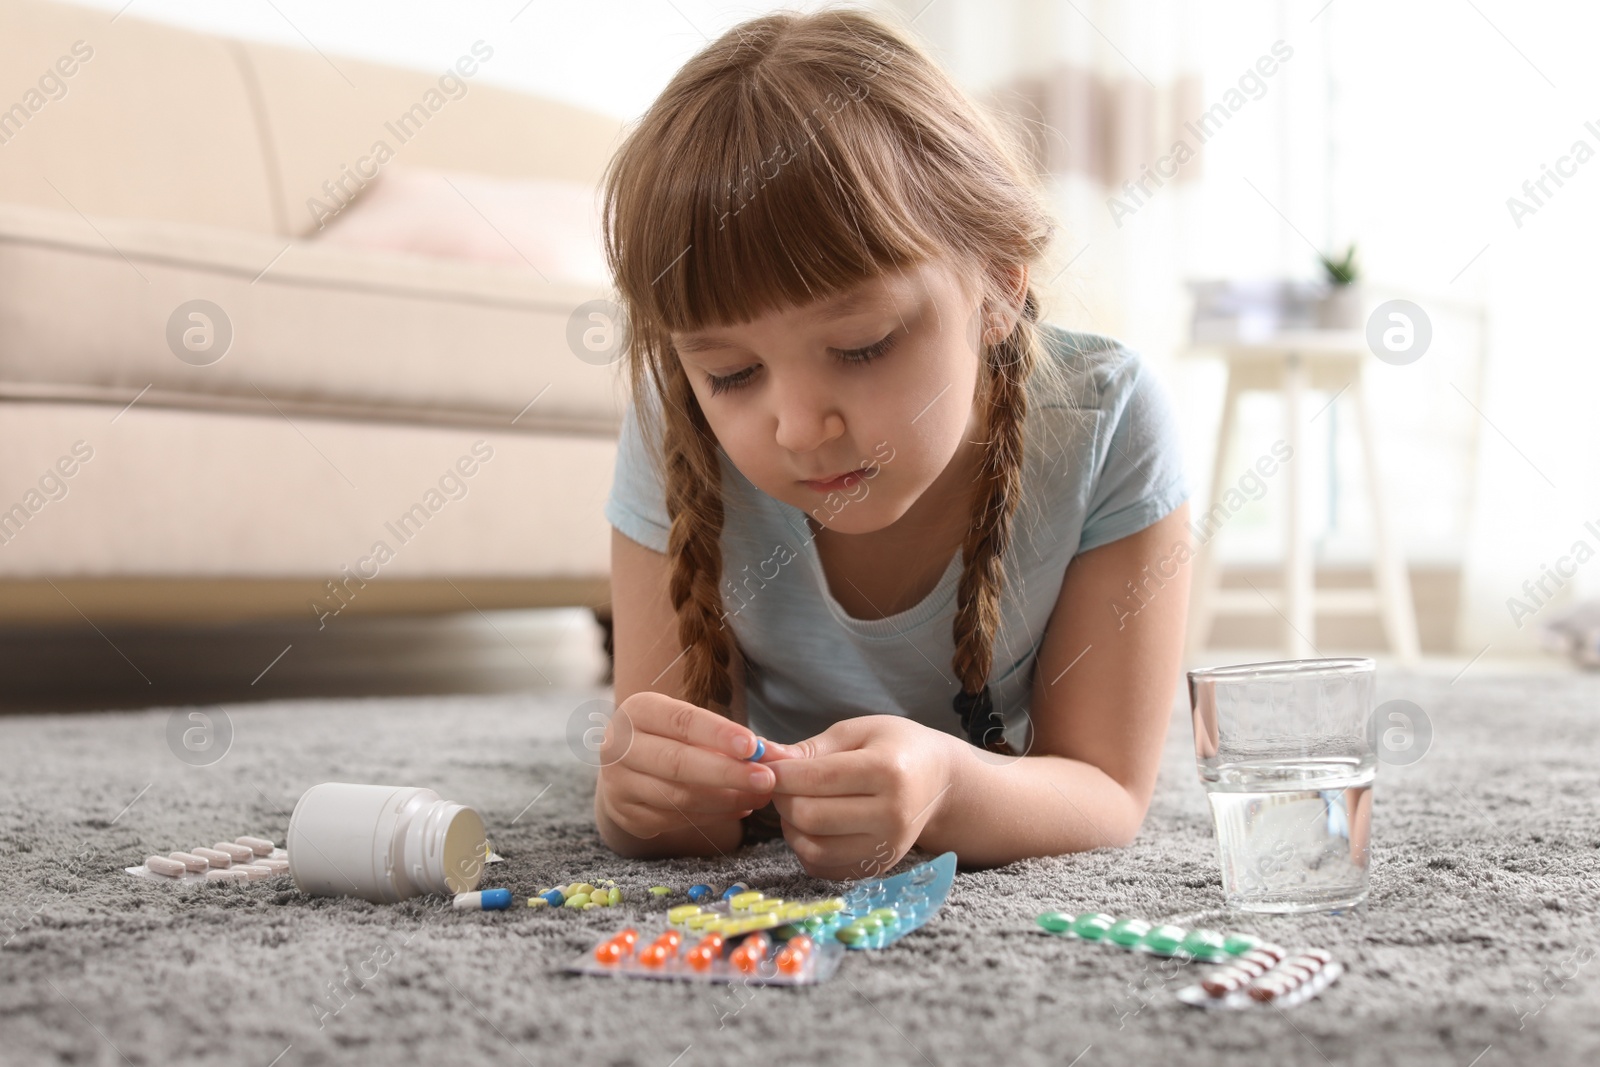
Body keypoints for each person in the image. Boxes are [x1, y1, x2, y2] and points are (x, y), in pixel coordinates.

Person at [594, 7, 1191, 878]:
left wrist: (948, 783)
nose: (800, 429)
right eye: (730, 373)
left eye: (862, 346)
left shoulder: (1110, 419)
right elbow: (674, 810)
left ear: (996, 285)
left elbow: (1105, 788)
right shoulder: (672, 420)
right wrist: (636, 799)